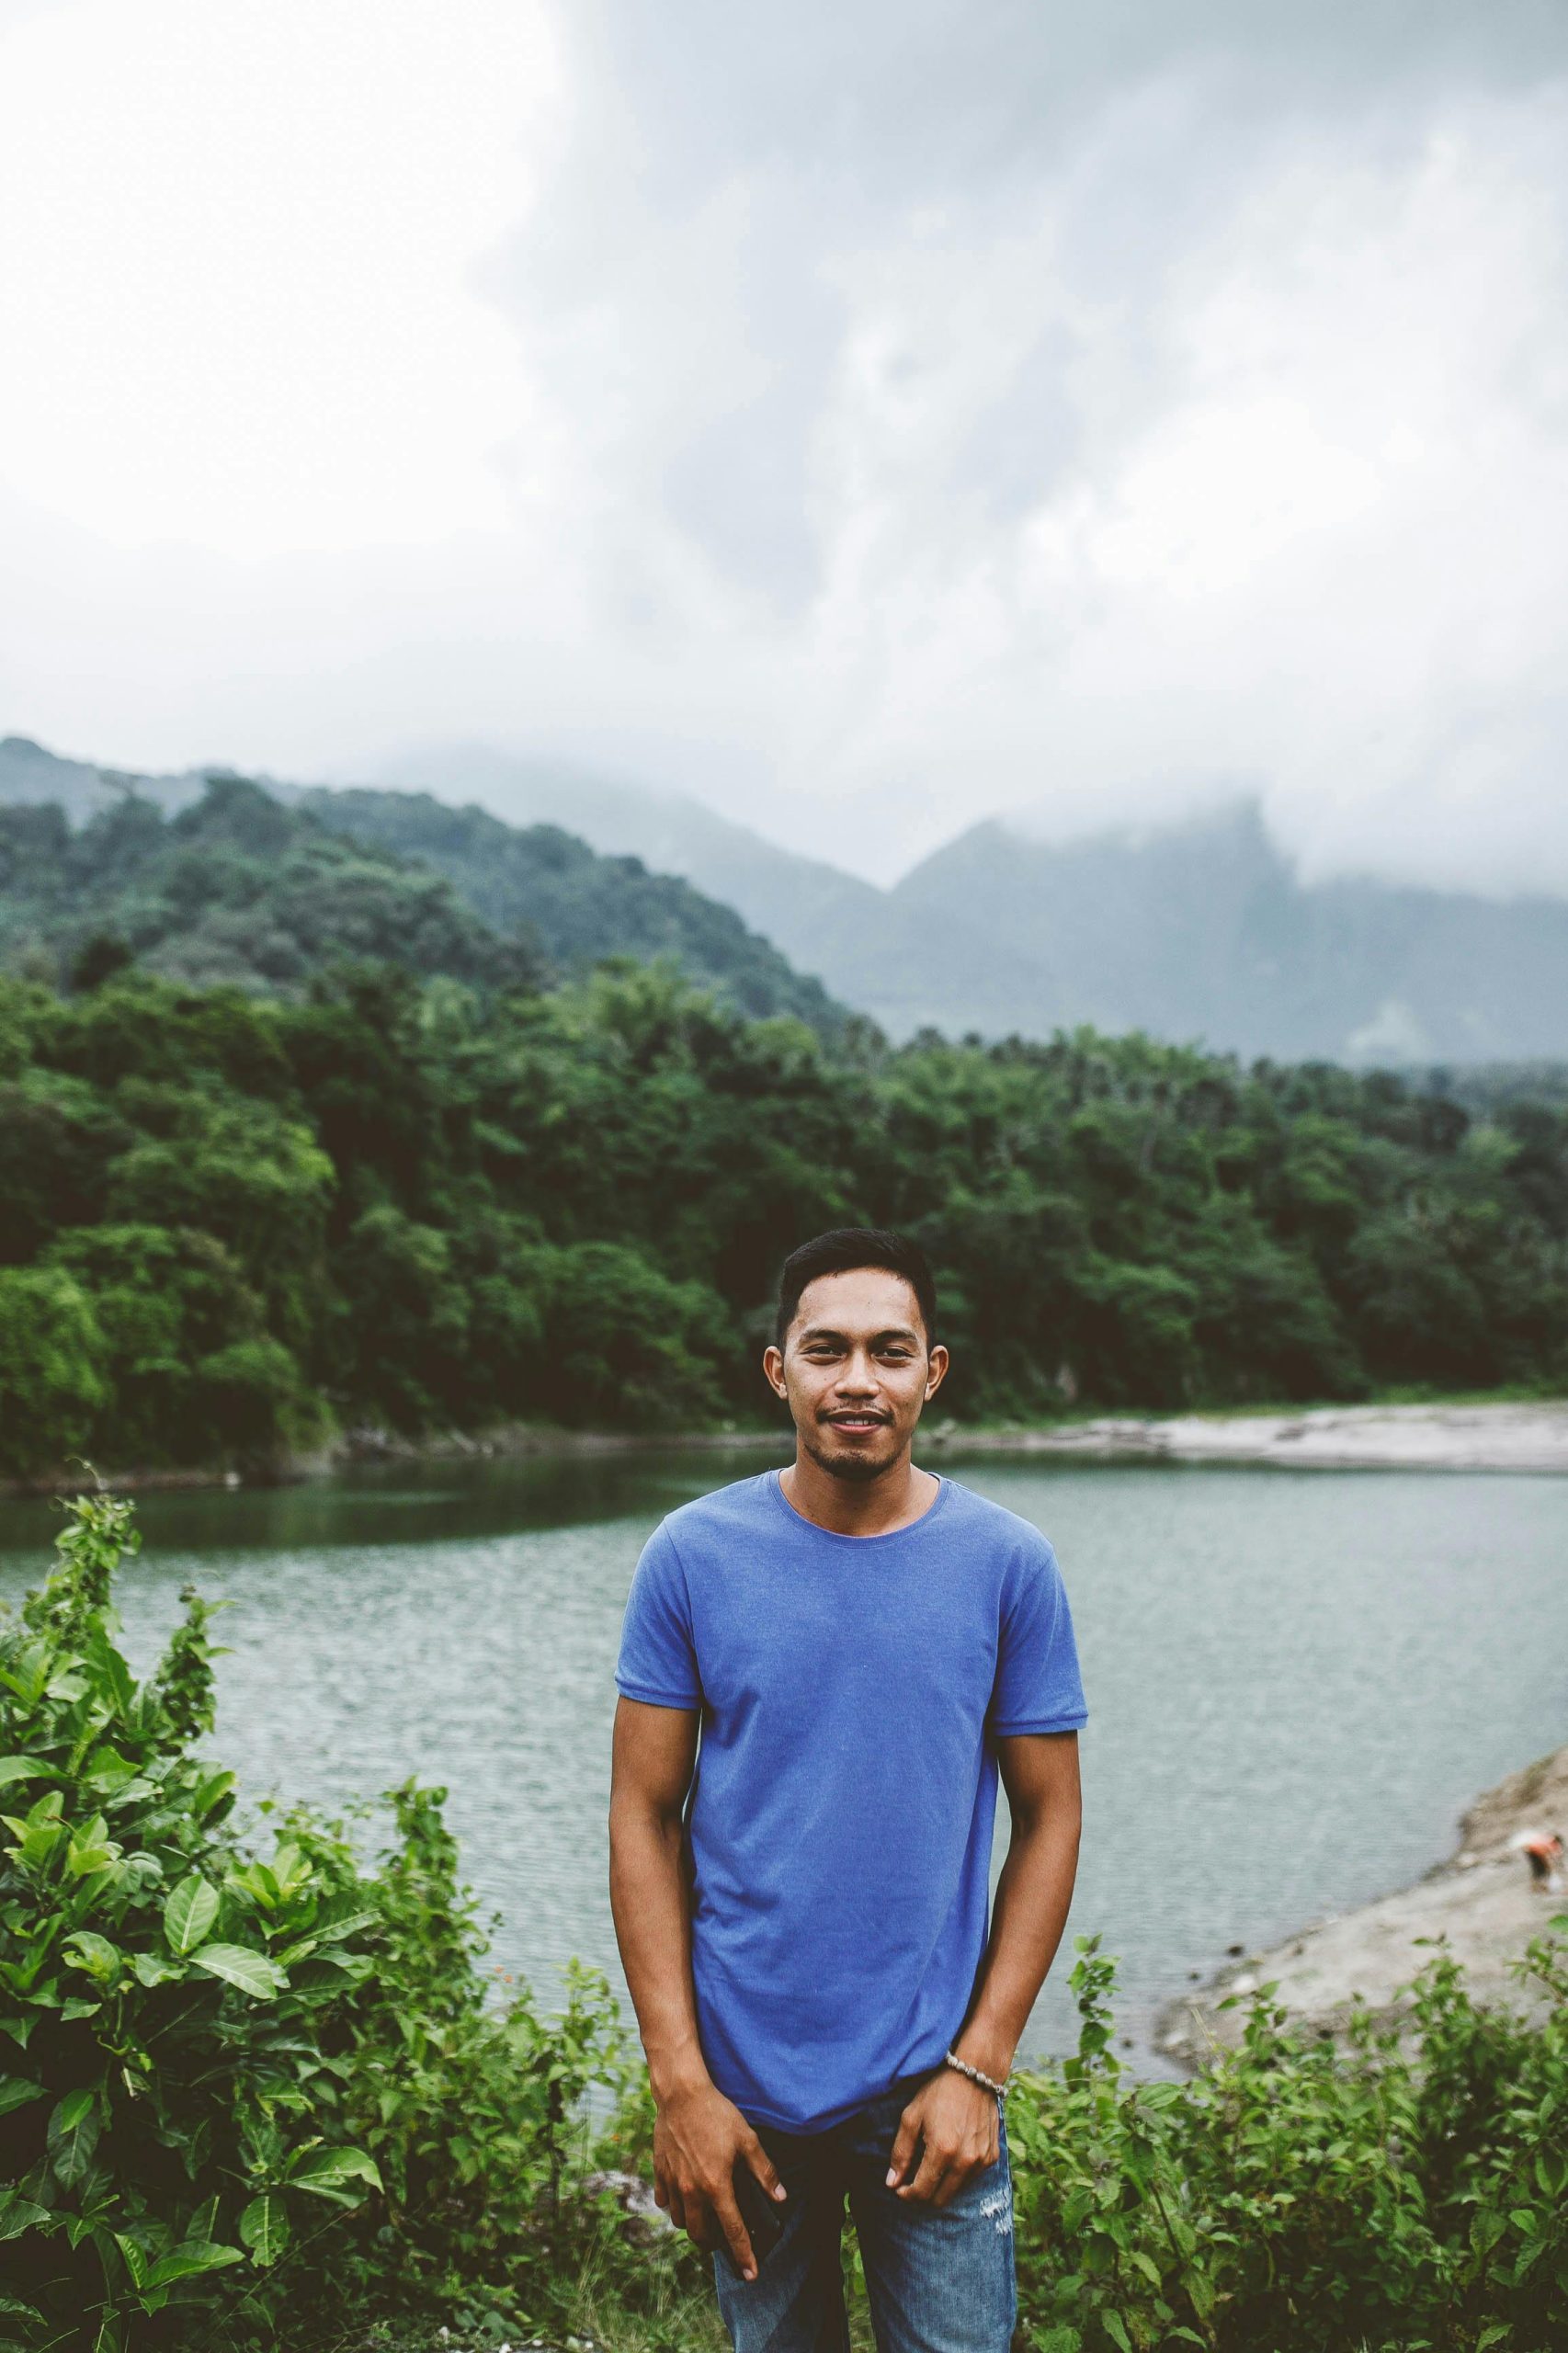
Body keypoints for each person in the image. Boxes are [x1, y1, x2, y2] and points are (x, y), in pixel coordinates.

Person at [608, 1225, 1086, 2353]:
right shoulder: (691, 1555)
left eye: (888, 1350)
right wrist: (679, 2083)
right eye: (826, 1351)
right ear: (778, 1370)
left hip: (930, 2090)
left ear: (933, 1369)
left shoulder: (1006, 1563)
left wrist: (981, 2063)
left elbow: (1050, 1814)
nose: (857, 1381)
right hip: (742, 2094)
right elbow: (641, 1813)